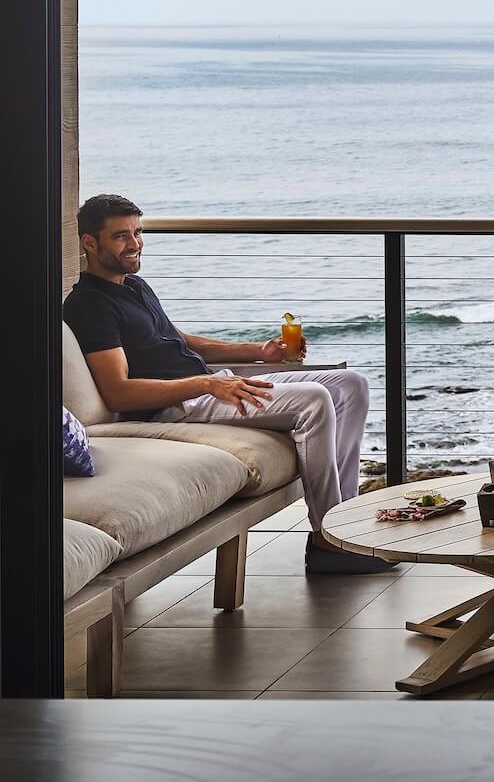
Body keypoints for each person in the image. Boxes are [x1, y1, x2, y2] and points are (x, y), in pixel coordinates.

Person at [63, 194, 394, 574]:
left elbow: (179, 340)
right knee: (315, 399)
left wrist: (259, 351)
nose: (135, 244)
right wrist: (205, 384)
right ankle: (328, 541)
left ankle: (342, 524)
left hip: (209, 387)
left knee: (350, 385)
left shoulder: (134, 286)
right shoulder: (89, 305)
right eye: (121, 236)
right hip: (176, 406)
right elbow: (118, 391)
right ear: (90, 242)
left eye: (138, 232)